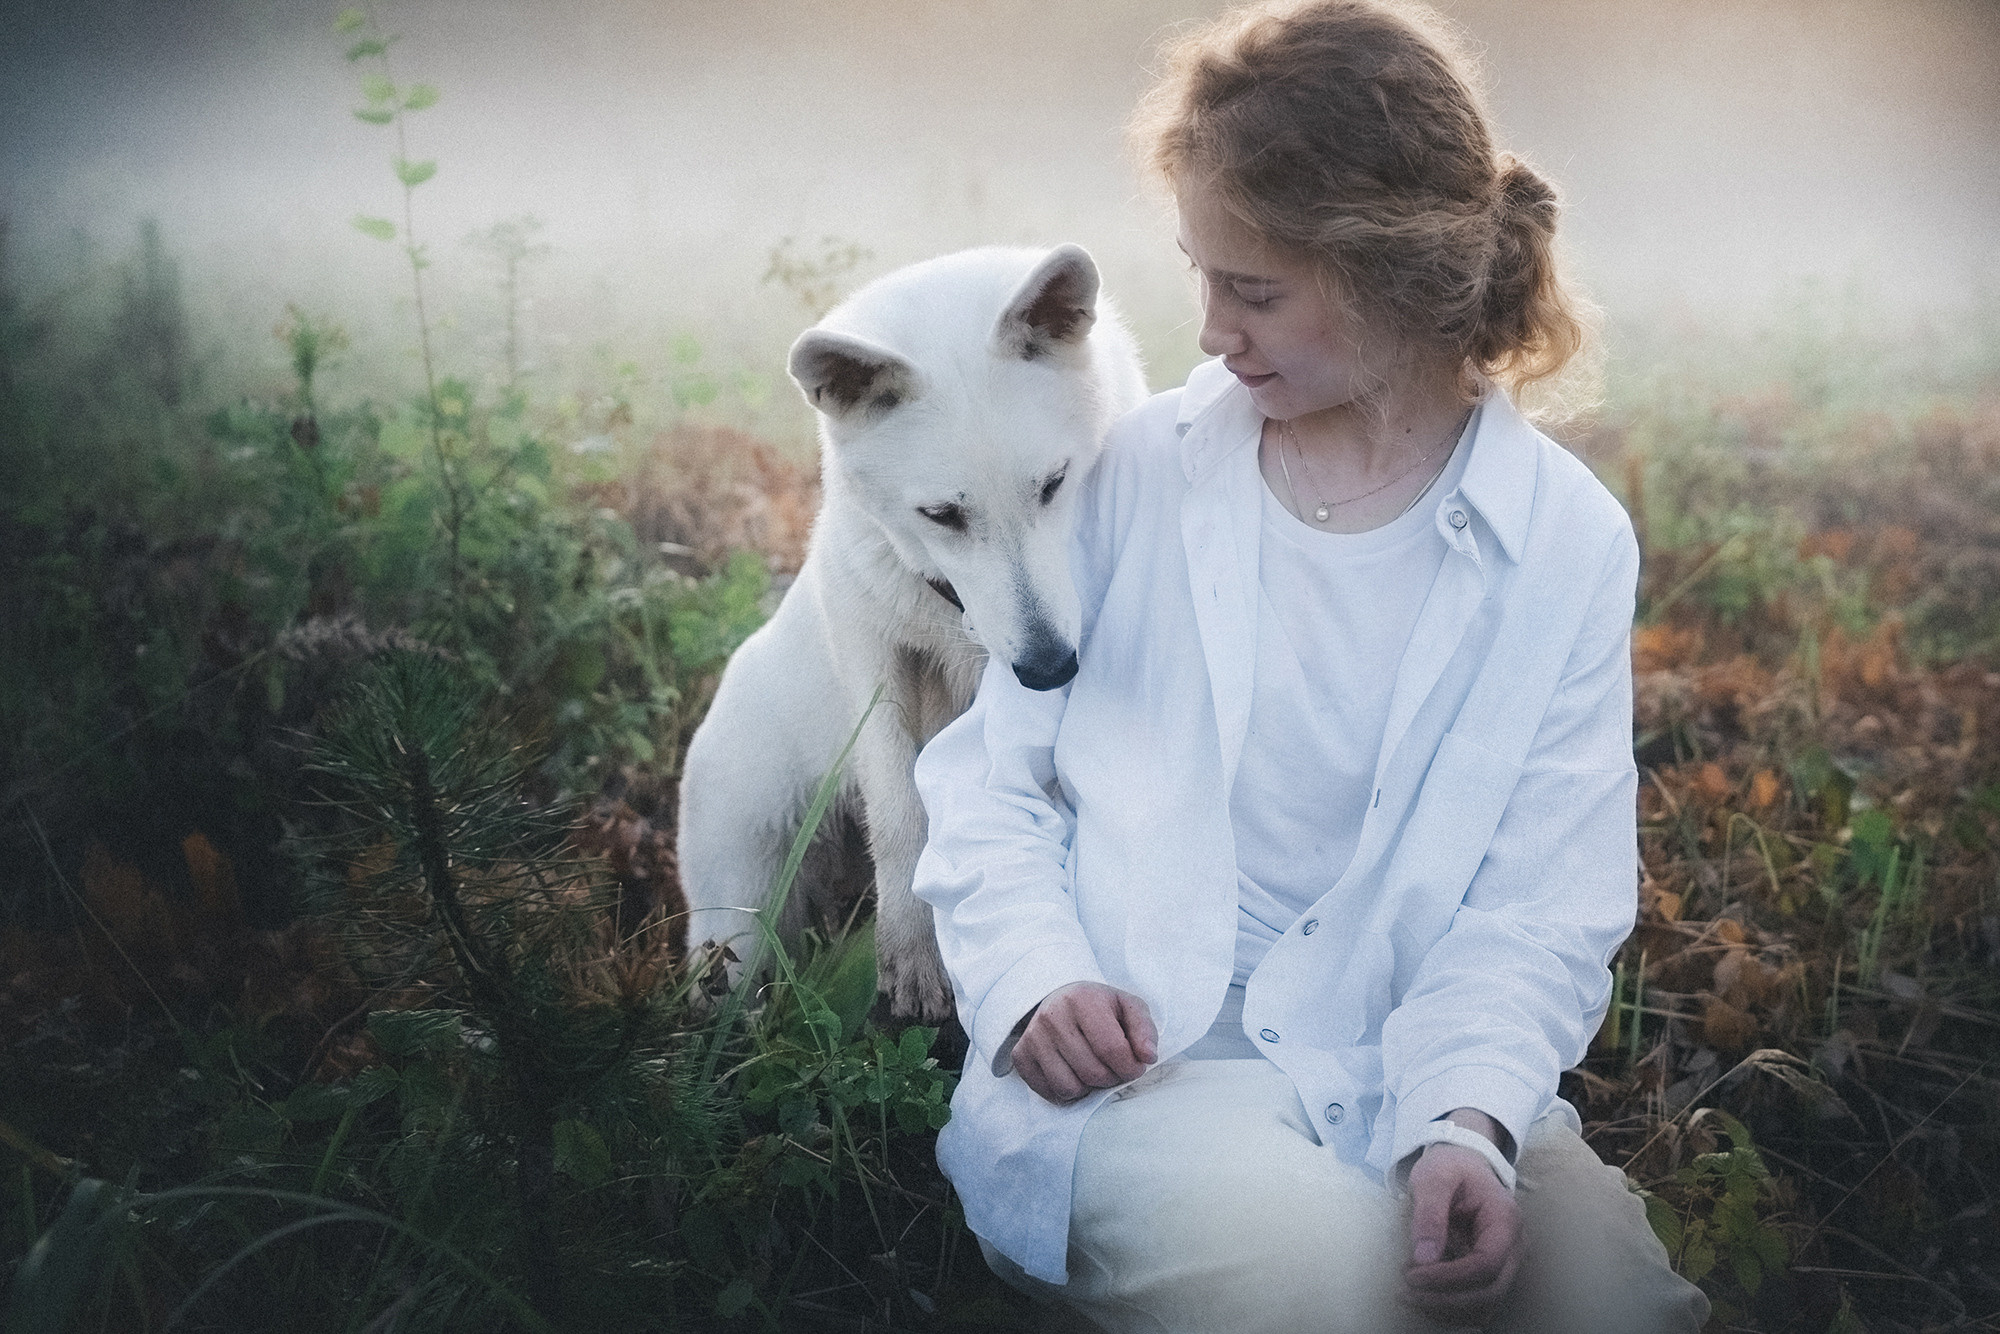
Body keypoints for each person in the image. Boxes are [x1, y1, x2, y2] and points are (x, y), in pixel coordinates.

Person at [910, 1, 1711, 1331]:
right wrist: (1035, 978)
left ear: (1392, 272)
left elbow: (1541, 903)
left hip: (1401, 1062)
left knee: (1611, 1303)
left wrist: (1466, 1122)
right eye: (1202, 274)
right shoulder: (1137, 473)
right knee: (1336, 1284)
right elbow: (996, 781)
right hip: (1144, 1079)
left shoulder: (1564, 541)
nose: (1212, 326)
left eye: (1256, 289)